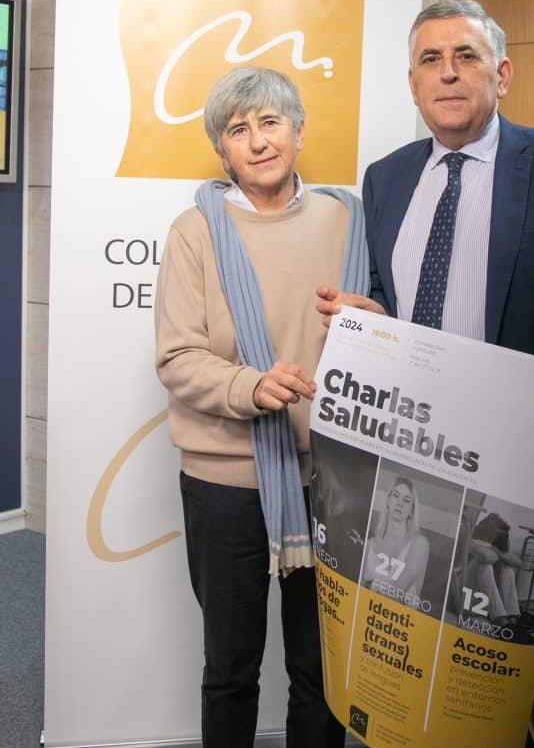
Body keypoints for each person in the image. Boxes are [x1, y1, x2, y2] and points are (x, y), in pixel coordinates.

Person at [155, 66, 364, 748]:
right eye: (238, 129)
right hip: (226, 486)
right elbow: (177, 357)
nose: (258, 140)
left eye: (270, 122)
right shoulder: (194, 231)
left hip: (330, 481)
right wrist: (250, 387)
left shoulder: (349, 220)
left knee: (321, 669)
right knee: (231, 668)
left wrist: (376, 323)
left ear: (298, 131)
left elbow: (390, 335)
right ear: (222, 150)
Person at [317, 0, 534, 355]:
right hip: (404, 387)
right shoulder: (384, 177)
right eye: (431, 59)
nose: (448, 73)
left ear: (502, 76)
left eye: (466, 56)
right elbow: (384, 290)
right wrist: (380, 322)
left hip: (518, 389)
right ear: (413, 85)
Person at [360, 476, 430, 608]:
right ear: (388, 501)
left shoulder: (420, 544)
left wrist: (370, 585)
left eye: (406, 500)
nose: (399, 503)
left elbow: (396, 593)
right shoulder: (369, 545)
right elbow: (358, 592)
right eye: (396, 496)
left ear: (411, 510)